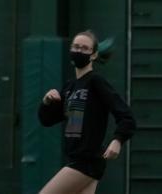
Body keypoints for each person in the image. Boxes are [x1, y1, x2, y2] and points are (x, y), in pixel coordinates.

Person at [38, 30, 136, 194]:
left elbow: (126, 116)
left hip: (87, 161)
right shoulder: (70, 87)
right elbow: (47, 120)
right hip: (76, 159)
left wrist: (118, 140)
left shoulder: (96, 82)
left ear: (93, 55)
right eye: (75, 47)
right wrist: (46, 102)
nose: (79, 51)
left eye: (84, 48)